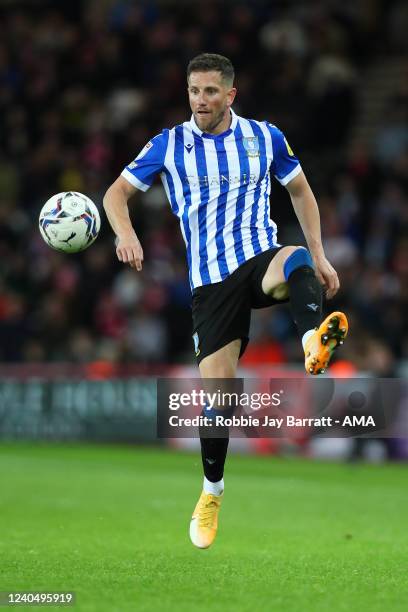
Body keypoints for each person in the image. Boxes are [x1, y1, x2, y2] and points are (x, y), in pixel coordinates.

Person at [103, 53, 348, 550]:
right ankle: (211, 493)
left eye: (211, 92)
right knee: (222, 403)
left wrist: (321, 256)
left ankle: (310, 341)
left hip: (258, 257)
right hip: (210, 284)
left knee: (297, 259)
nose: (201, 101)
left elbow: (301, 192)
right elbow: (114, 196)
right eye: (194, 91)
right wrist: (124, 234)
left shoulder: (265, 137)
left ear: (230, 95)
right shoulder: (168, 145)